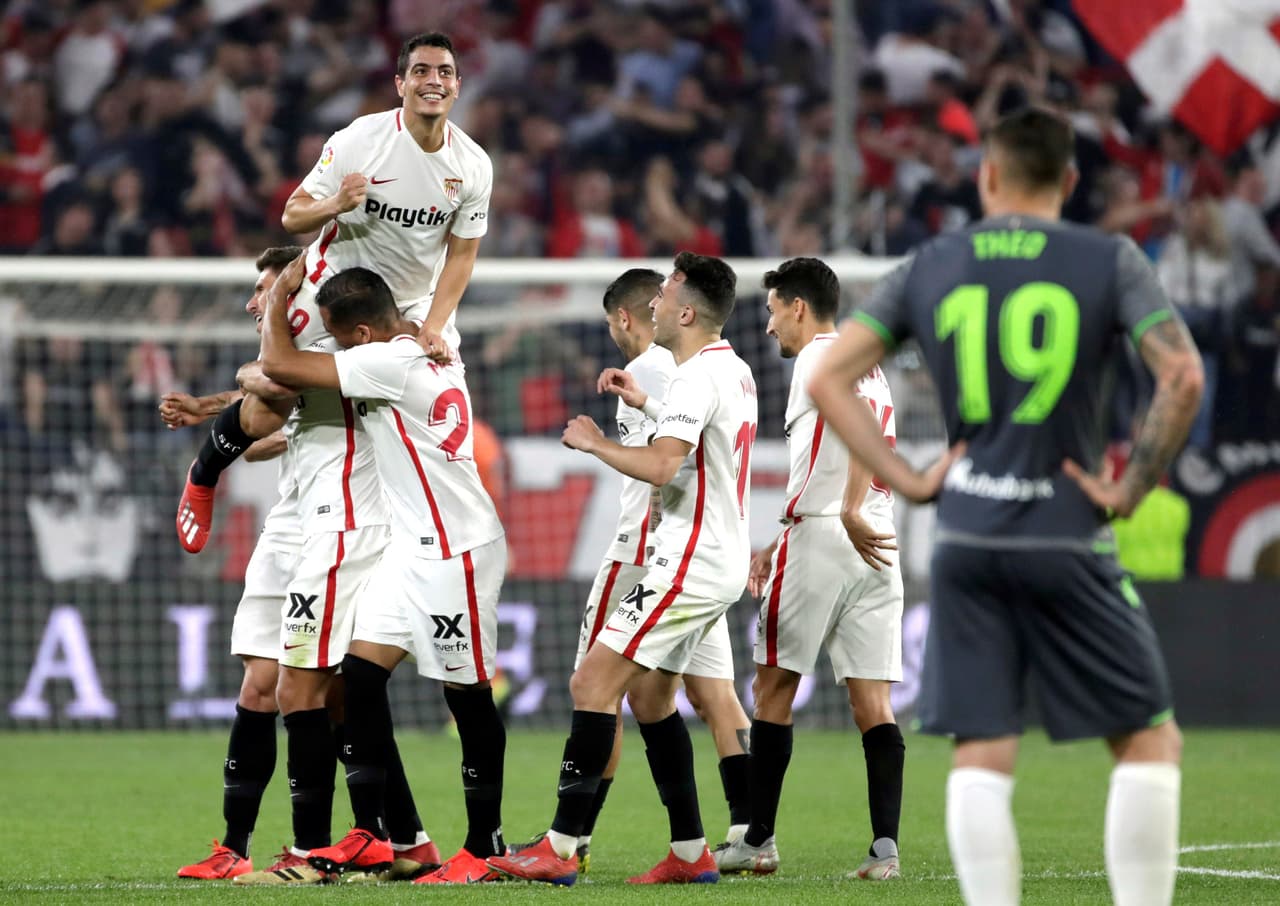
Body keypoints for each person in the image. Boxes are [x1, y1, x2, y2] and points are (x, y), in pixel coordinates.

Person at [809, 107, 1203, 906]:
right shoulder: (1108, 258)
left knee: (983, 749)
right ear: (1069, 180)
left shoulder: (932, 262)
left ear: (987, 176)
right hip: (1065, 535)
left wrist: (911, 478)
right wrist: (1128, 490)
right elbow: (1184, 376)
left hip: (965, 536)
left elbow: (827, 379)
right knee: (1149, 739)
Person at [164, 248, 440, 883]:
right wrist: (219, 403)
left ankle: (320, 851)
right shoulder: (327, 355)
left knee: (317, 692)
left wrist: (237, 397)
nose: (254, 303)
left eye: (266, 288)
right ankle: (240, 846)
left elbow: (272, 377)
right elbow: (268, 394)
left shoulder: (355, 351)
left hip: (344, 529)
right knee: (266, 685)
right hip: (293, 522)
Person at [486, 252, 756, 886]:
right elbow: (699, 451)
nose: (654, 304)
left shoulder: (692, 377)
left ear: (685, 311)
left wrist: (594, 443)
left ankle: (560, 846)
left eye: (664, 295)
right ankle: (691, 853)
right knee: (654, 699)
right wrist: (645, 405)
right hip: (714, 555)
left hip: (686, 560)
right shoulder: (733, 368)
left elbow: (664, 468)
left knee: (591, 684)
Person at [176, 30, 492, 553]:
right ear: (400, 83)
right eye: (420, 71)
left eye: (443, 72)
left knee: (430, 408)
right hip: (330, 285)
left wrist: (434, 325)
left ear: (458, 86)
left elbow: (462, 253)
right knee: (274, 395)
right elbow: (292, 213)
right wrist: (336, 204)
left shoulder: (473, 165)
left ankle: (422, 536)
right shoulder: (359, 141)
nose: (432, 81)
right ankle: (206, 472)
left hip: (405, 304)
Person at [259, 260, 508, 886]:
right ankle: (371, 836)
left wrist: (277, 302)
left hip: (458, 548)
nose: (337, 351)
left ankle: (485, 846)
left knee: (468, 694)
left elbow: (282, 368)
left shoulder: (389, 363)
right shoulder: (436, 339)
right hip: (410, 549)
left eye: (340, 340)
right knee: (360, 678)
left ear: (363, 335)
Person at [714, 257, 906, 880]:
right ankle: (885, 850)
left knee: (772, 688)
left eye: (771, 311)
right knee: (872, 702)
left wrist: (841, 508)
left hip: (832, 532)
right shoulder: (869, 363)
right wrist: (784, 532)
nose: (768, 327)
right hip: (878, 540)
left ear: (798, 306)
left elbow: (861, 428)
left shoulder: (823, 358)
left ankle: (758, 839)